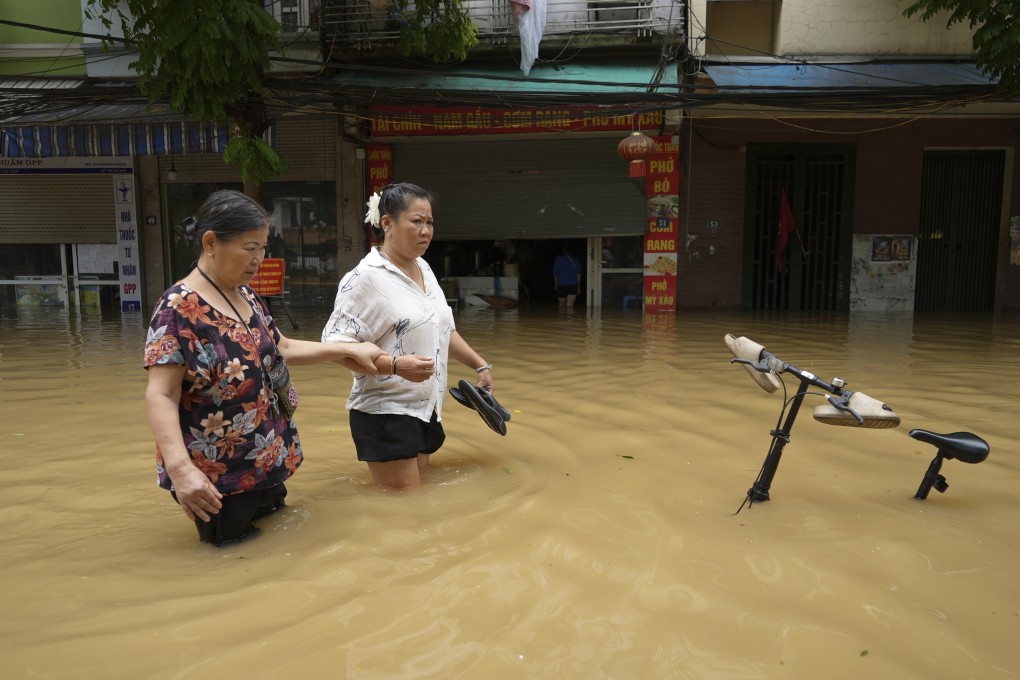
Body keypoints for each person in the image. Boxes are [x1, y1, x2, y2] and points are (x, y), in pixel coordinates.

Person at [144, 189, 391, 546]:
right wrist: (182, 471)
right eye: (249, 248)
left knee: (276, 544)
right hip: (218, 476)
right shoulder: (177, 310)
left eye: (262, 248)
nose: (258, 259)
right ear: (210, 242)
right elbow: (161, 393)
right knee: (232, 555)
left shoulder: (244, 294)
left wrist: (350, 350)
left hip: (266, 458)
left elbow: (283, 347)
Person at [321, 182, 496, 490]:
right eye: (417, 221)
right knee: (405, 510)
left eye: (429, 222)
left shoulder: (424, 268)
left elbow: (444, 329)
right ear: (387, 223)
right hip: (386, 411)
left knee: (418, 503)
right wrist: (394, 366)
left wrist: (480, 365)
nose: (426, 230)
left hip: (426, 407)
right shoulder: (364, 279)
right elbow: (335, 347)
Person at [553, 245, 582, 311]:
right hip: (573, 285)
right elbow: (578, 275)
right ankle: (570, 321)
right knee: (570, 306)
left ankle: (561, 320)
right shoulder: (576, 260)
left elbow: (555, 274)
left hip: (562, 285)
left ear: (563, 251)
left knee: (561, 305)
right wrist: (578, 287)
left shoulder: (558, 259)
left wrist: (556, 284)